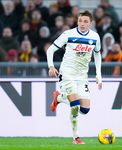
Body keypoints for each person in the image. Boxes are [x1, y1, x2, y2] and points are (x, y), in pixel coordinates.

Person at [46, 10, 102, 144]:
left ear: (90, 23)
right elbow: (50, 50)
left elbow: (98, 54)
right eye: (80, 21)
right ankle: (76, 137)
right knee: (75, 105)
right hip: (67, 74)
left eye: (85, 22)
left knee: (85, 109)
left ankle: (59, 98)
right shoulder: (68, 34)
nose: (82, 24)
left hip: (82, 77)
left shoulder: (95, 37)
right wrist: (51, 66)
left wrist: (98, 74)